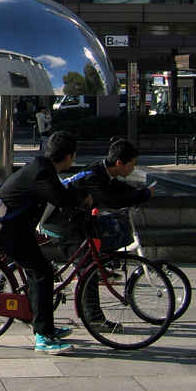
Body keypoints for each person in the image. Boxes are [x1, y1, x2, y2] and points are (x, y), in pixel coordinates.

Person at [0, 130, 92, 355]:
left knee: (40, 272)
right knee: (42, 273)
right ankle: (43, 337)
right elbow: (61, 198)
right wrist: (80, 199)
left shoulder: (42, 166)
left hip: (15, 228)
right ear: (69, 157)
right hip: (9, 231)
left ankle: (44, 324)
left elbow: (58, 193)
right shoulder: (43, 172)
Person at [42, 139, 155, 330]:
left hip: (74, 220)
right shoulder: (95, 177)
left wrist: (139, 191)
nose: (133, 169)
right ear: (119, 163)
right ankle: (94, 318)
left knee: (96, 252)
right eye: (131, 164)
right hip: (60, 224)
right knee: (88, 267)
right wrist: (143, 195)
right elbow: (112, 200)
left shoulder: (103, 172)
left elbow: (116, 188)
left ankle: (101, 269)